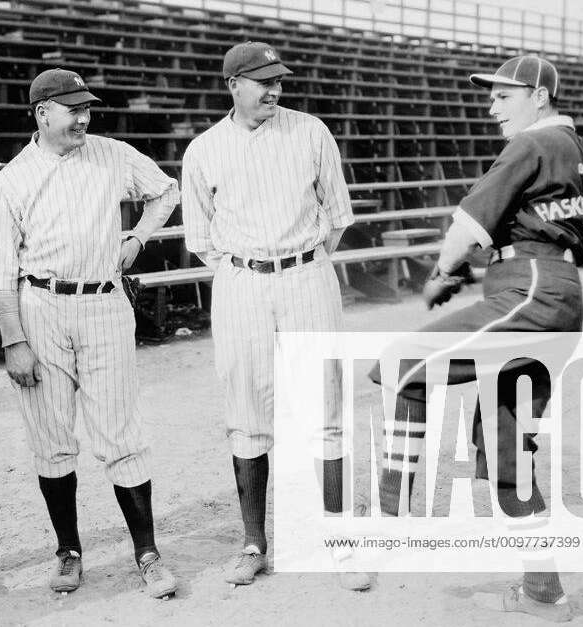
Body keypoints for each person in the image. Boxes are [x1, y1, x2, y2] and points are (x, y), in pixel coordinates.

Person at [368, 55, 583, 622]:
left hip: (529, 289)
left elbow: (464, 232)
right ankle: (545, 594)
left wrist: (443, 274)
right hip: (559, 297)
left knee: (404, 365)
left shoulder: (531, 146)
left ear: (539, 97)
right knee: (506, 452)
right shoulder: (580, 154)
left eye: (503, 96)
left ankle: (384, 529)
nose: (491, 107)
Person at [0, 68, 180, 598]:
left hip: (104, 302)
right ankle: (68, 550)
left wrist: (137, 236)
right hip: (41, 305)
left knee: (122, 432)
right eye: (72, 109)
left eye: (87, 107)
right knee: (51, 437)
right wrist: (14, 341)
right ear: (42, 113)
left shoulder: (112, 153)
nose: (84, 117)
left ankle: (147, 552)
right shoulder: (12, 179)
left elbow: (166, 191)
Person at [180, 41, 368, 589]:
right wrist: (248, 266)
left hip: (307, 273)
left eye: (278, 80)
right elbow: (201, 239)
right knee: (246, 411)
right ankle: (253, 542)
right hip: (241, 281)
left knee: (325, 406)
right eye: (262, 81)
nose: (274, 90)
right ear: (233, 85)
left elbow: (336, 218)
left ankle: (339, 542)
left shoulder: (311, 131)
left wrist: (300, 261)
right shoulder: (204, 149)